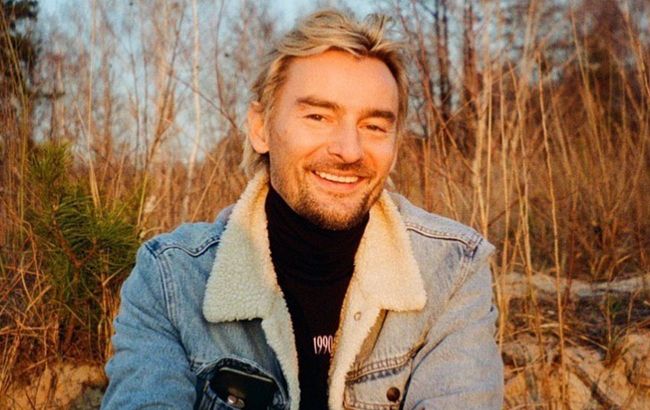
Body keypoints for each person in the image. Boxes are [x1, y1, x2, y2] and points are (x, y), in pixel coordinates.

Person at [102, 9, 503, 410]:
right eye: (318, 116)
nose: (349, 150)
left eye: (374, 126)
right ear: (261, 128)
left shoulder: (450, 270)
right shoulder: (173, 280)